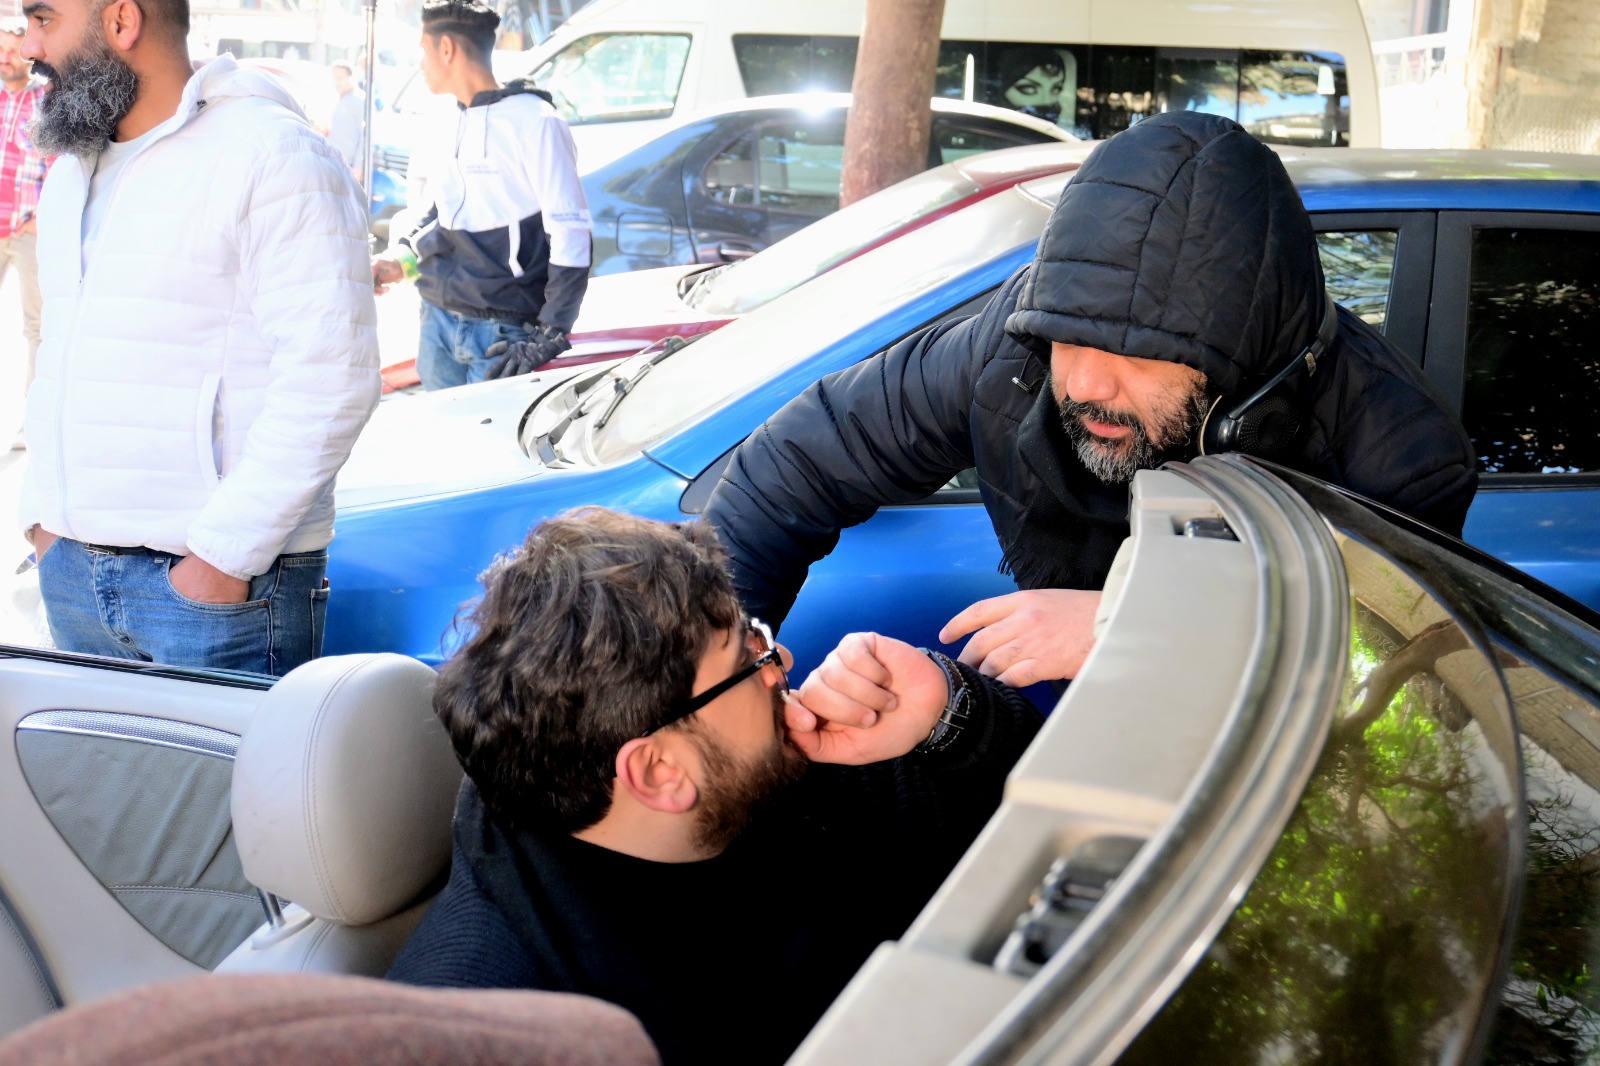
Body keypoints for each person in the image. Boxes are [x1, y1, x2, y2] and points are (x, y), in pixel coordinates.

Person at [704, 111, 1478, 694]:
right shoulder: (1016, 349)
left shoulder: (1402, 454)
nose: (1084, 386)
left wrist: (1133, 627)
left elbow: (1385, 664)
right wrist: (722, 667)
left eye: (1139, 356)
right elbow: (793, 467)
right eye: (1071, 341)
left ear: (1238, 371)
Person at [387, 507, 1042, 1065]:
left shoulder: (775, 771)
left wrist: (950, 719)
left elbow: (1037, 835)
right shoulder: (507, 1030)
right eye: (746, 661)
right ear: (658, 772)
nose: (780, 663)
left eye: (757, 634)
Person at [17, 0, 380, 675]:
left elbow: (333, 379)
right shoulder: (73, 173)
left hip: (216, 593)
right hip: (71, 576)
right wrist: (41, 518)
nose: (27, 46)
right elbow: (63, 359)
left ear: (121, 21)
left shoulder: (274, 153)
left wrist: (221, 560)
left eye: (43, 19)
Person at [370, 0, 591, 390]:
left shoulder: (537, 122)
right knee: (438, 432)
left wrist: (551, 331)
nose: (420, 63)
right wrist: (401, 260)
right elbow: (443, 214)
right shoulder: (448, 120)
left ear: (446, 49)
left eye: (423, 50)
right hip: (437, 322)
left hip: (501, 335)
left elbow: (571, 233)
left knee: (491, 434)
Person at [0, 20, 49, 449]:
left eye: (11, 51)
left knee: (38, 327)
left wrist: (41, 216)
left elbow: (61, 160)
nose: (4, 59)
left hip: (29, 228)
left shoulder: (46, 100)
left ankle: (31, 423)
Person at [327, 59, 363, 181]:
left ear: (350, 78)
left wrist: (358, 167)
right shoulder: (336, 99)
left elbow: (365, 137)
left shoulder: (360, 101)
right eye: (334, 78)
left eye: (340, 78)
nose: (336, 82)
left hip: (349, 168)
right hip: (333, 164)